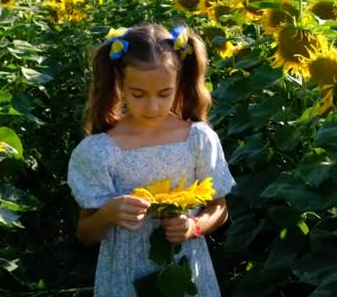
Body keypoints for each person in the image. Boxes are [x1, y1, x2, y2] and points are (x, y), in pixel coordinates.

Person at [67, 23, 236, 296]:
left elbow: (220, 208)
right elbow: (86, 233)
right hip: (125, 276)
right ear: (119, 83)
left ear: (179, 83)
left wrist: (194, 226)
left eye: (164, 94)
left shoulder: (198, 139)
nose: (152, 106)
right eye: (138, 94)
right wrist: (109, 213)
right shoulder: (99, 150)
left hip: (186, 269)